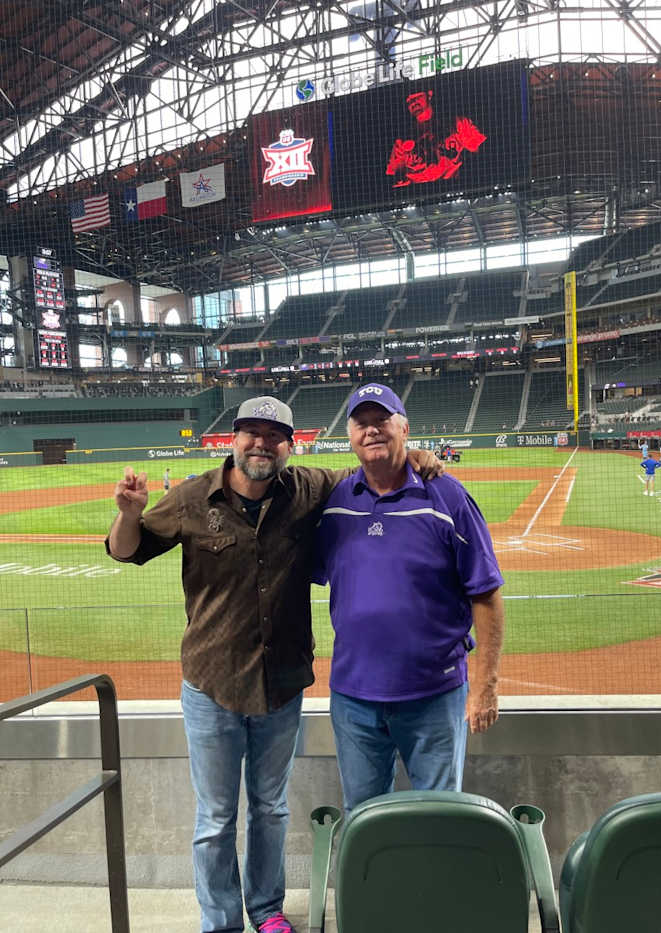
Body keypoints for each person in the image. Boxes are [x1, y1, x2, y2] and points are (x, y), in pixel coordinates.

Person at [106, 395, 441, 933]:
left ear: (290, 444)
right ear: (233, 439)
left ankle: (266, 911)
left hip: (281, 684)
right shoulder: (194, 496)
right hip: (212, 683)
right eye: (250, 433)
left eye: (274, 434)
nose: (261, 443)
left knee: (271, 809)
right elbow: (126, 550)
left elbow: (370, 465)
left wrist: (415, 453)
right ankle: (221, 922)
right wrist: (128, 515)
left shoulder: (309, 488)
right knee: (216, 819)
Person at [313, 383, 505, 813]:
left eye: (381, 421)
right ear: (349, 435)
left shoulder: (448, 497)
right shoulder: (336, 502)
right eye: (361, 423)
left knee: (440, 821)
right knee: (362, 820)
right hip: (354, 700)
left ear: (405, 428)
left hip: (434, 698)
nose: (371, 430)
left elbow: (487, 594)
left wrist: (486, 688)